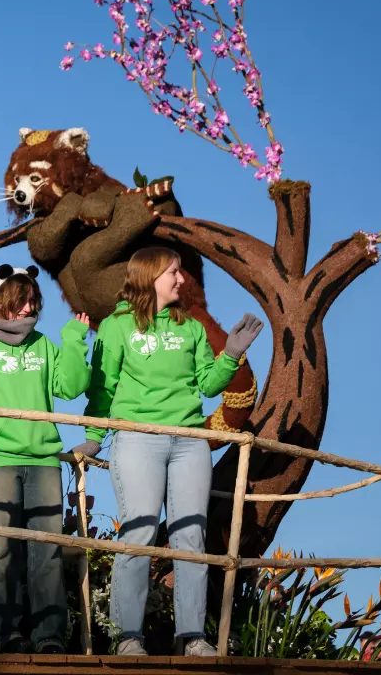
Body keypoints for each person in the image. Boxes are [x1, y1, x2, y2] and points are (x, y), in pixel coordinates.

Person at [71, 247, 263, 657]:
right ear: (151, 276)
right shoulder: (116, 326)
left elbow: (209, 385)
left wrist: (231, 353)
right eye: (174, 272)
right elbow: (102, 389)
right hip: (137, 438)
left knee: (191, 537)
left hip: (189, 441)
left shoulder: (190, 327)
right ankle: (128, 638)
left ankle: (192, 636)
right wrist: (93, 436)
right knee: (138, 533)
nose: (181, 279)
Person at [0, 264, 90, 654]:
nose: (29, 307)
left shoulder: (43, 344)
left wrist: (75, 338)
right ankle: (5, 637)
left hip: (43, 459)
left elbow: (72, 387)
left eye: (33, 301)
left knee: (46, 551)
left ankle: (48, 638)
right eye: (21, 300)